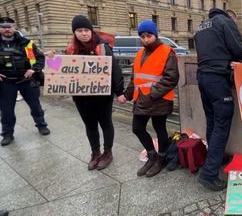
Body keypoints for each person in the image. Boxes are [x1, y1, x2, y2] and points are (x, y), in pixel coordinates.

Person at [53, 15, 126, 170]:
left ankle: (107, 152)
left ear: (91, 32)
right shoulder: (70, 50)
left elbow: (115, 70)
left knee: (106, 123)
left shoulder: (103, 47)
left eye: (86, 30)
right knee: (90, 125)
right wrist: (52, 60)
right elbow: (61, 72)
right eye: (80, 30)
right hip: (81, 97)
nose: (84, 33)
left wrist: (119, 92)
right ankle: (95, 152)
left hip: (102, 96)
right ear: (75, 33)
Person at [194, 8, 242, 191]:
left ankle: (215, 157)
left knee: (212, 122)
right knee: (222, 124)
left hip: (202, 78)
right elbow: (239, 51)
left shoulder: (201, 26)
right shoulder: (224, 22)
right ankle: (209, 174)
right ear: (230, 17)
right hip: (217, 79)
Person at [124, 20, 179, 178]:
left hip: (158, 99)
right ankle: (152, 155)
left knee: (159, 128)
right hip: (142, 99)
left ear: (155, 35)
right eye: (142, 36)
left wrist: (153, 94)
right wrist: (127, 94)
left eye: (149, 35)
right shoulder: (140, 53)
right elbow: (135, 78)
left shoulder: (167, 51)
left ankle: (161, 158)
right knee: (137, 128)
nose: (146, 39)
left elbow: (171, 78)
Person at [0, 17, 50, 146]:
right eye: (4, 27)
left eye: (9, 27)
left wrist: (34, 69)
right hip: (6, 83)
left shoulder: (26, 43)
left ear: (14, 28)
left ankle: (41, 125)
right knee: (6, 111)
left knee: (36, 106)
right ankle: (7, 134)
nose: (7, 29)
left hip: (26, 81)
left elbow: (40, 58)